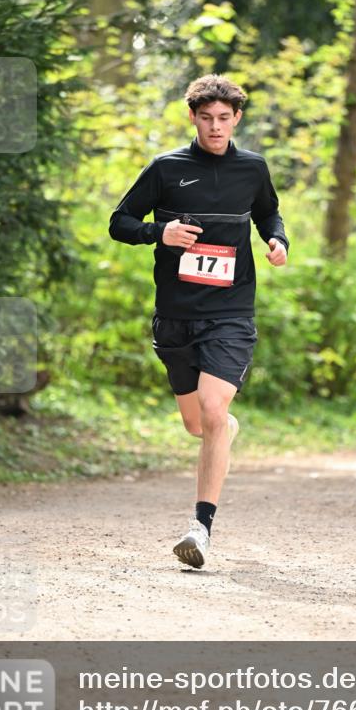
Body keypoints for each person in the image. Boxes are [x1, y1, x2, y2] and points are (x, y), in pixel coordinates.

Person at [109, 74, 289, 569]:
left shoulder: (252, 168)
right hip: (176, 315)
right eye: (206, 118)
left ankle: (200, 528)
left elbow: (269, 214)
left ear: (237, 119)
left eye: (224, 119)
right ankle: (222, 429)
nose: (215, 127)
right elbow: (119, 222)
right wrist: (159, 232)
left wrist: (278, 241)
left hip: (231, 312)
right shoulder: (166, 168)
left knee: (212, 409)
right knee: (200, 424)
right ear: (192, 117)